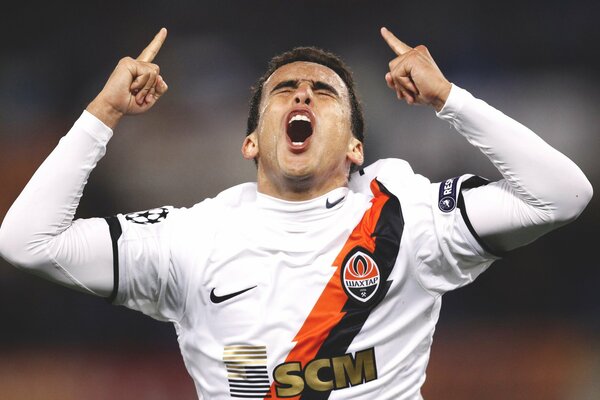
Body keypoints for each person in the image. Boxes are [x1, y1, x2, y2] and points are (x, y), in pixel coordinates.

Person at [0, 26, 592, 400]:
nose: (303, 94)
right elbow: (26, 242)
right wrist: (103, 113)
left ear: (356, 147)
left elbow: (563, 193)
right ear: (252, 142)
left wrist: (448, 99)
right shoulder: (191, 236)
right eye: (284, 91)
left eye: (323, 91)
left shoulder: (408, 214)